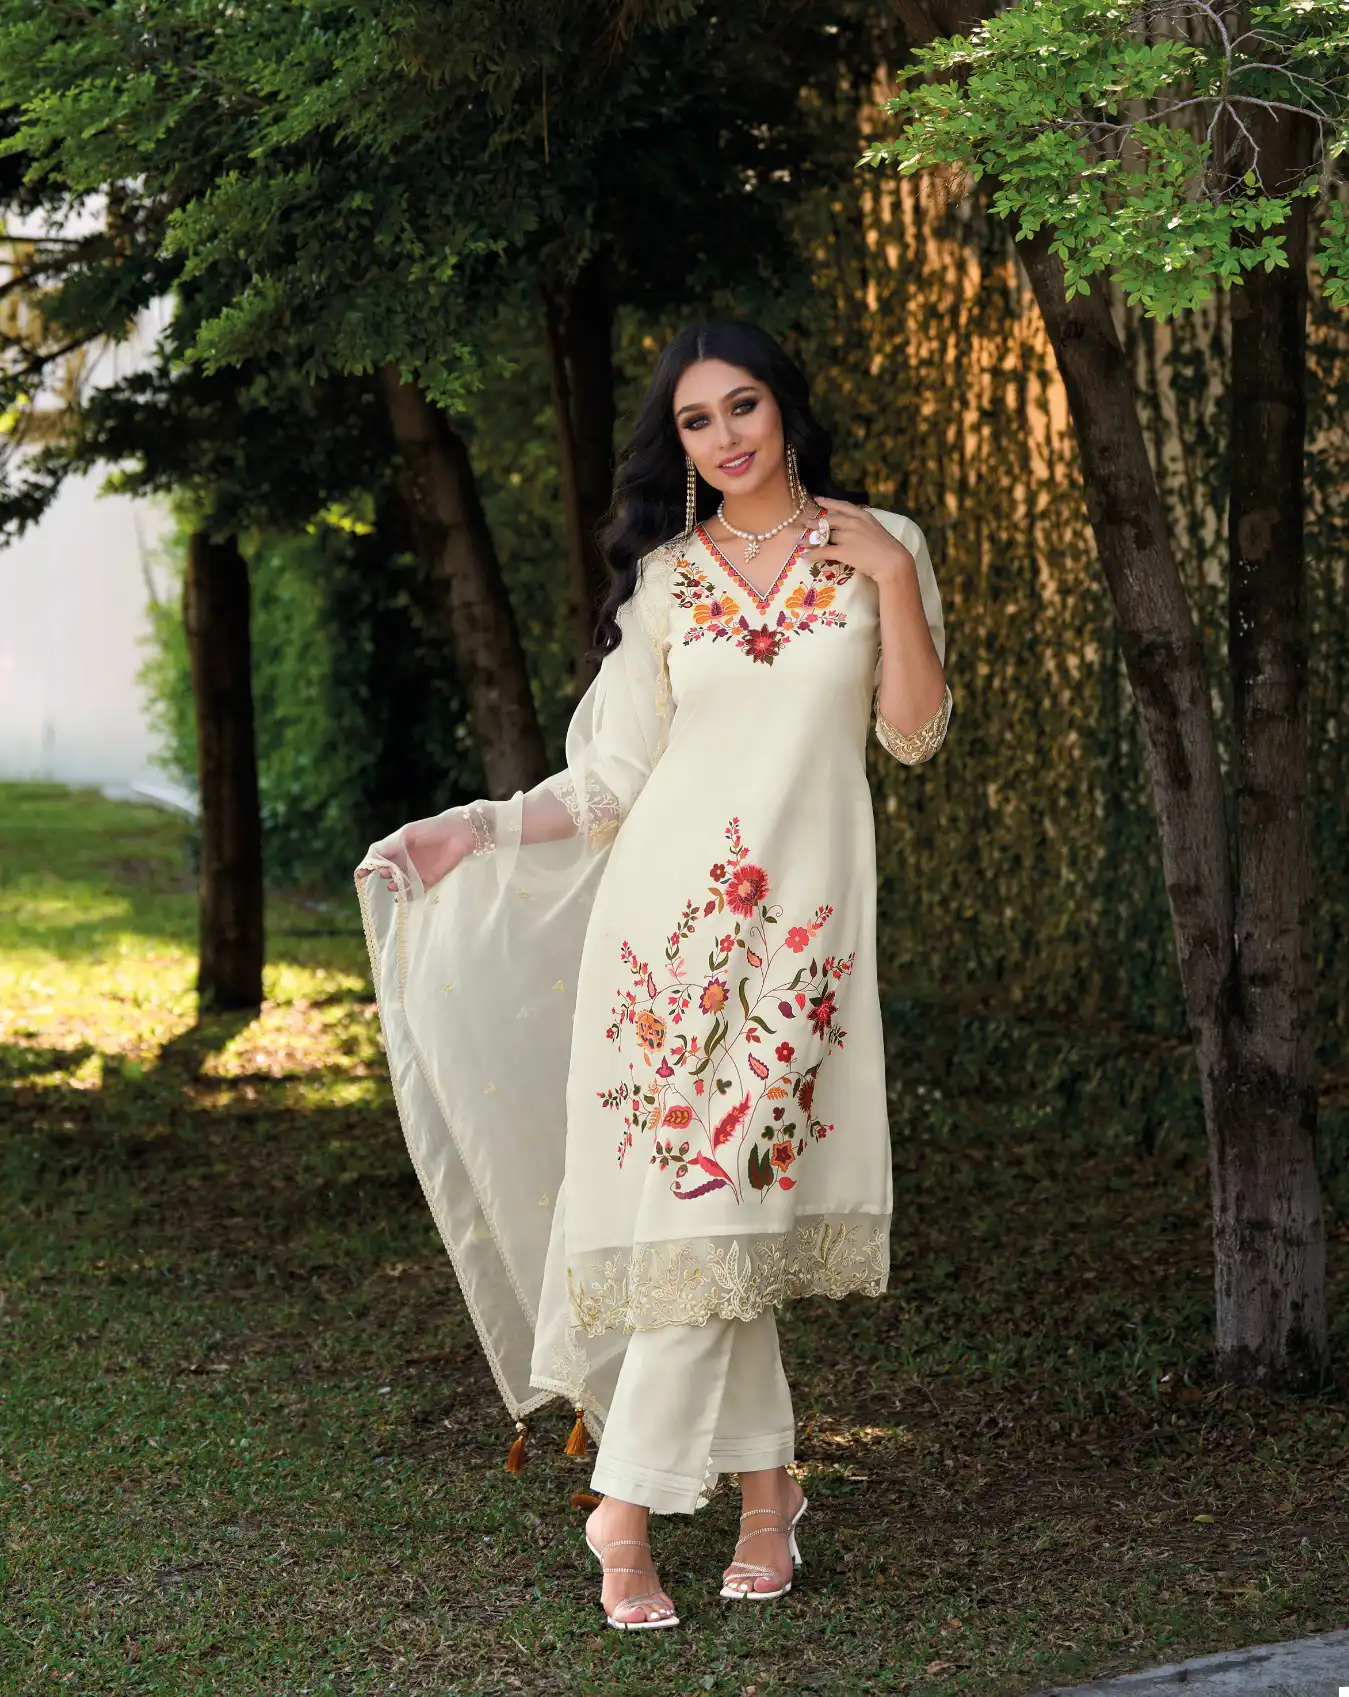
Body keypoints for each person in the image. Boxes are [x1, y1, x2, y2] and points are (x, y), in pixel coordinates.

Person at [355, 319, 952, 1631]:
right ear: (675, 443)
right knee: (705, 1230)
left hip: (797, 948)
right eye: (696, 419)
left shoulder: (879, 547)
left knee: (714, 1214)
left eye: (744, 406)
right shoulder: (669, 583)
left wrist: (893, 579)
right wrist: (472, 829)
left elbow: (912, 733)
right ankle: (763, 1498)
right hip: (661, 945)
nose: (726, 435)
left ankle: (620, 1511)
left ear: (785, 408)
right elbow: (614, 780)